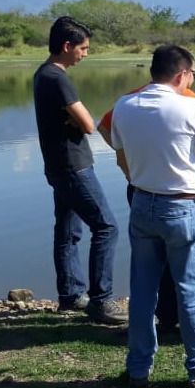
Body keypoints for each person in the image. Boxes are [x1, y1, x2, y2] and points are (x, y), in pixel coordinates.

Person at [111, 45, 195, 388]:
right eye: (193, 74)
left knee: (142, 292)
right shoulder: (190, 106)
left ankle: (138, 369)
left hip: (142, 203)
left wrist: (142, 181)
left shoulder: (124, 105)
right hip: (183, 206)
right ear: (182, 74)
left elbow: (121, 158)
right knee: (191, 290)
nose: (192, 80)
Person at [98, 88, 195, 334]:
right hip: (179, 193)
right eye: (193, 73)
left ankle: (166, 316)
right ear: (182, 73)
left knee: (153, 259)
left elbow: (103, 128)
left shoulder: (129, 101)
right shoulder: (188, 97)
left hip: (141, 189)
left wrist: (133, 164)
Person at [32, 17, 127, 325]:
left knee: (68, 231)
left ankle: (71, 294)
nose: (86, 54)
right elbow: (88, 124)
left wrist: (73, 118)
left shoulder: (42, 74)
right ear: (67, 46)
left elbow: (79, 120)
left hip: (57, 165)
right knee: (107, 227)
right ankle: (101, 301)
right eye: (83, 48)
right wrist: (78, 119)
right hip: (74, 166)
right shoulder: (57, 78)